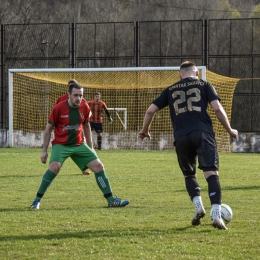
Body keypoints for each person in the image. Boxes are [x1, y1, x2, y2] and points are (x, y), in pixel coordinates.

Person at [139, 61, 238, 230]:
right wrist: (229, 129)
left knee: (189, 175)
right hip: (203, 134)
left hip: (181, 137)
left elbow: (150, 111)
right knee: (211, 173)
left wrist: (144, 130)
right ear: (197, 73)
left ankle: (198, 206)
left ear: (180, 76)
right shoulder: (205, 84)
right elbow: (217, 109)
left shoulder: (170, 89)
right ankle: (216, 214)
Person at [30, 82, 129, 209]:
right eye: (76, 95)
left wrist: (91, 147)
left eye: (81, 95)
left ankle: (111, 200)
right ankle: (36, 201)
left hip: (79, 144)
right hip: (61, 145)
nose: (79, 98)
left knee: (99, 166)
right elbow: (48, 129)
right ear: (69, 95)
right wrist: (44, 151)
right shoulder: (58, 108)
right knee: (54, 167)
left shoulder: (85, 107)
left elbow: (87, 127)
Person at [54, 79, 91, 175]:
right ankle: (56, 167)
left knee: (80, 148)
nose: (78, 97)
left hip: (77, 129)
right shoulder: (61, 99)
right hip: (64, 130)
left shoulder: (81, 100)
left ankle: (84, 168)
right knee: (64, 150)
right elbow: (55, 112)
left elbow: (87, 112)